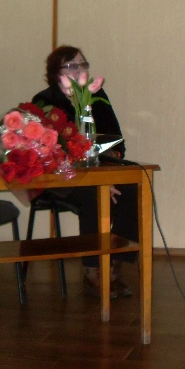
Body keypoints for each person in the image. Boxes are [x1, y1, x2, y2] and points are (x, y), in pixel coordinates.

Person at [32, 45, 138, 299]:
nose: (80, 69)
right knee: (93, 195)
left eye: (83, 64)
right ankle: (93, 272)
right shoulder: (44, 101)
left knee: (131, 184)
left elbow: (115, 140)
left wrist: (106, 173)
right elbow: (51, 153)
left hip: (97, 168)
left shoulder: (97, 96)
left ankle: (114, 266)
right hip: (60, 177)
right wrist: (96, 181)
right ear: (56, 72)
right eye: (72, 65)